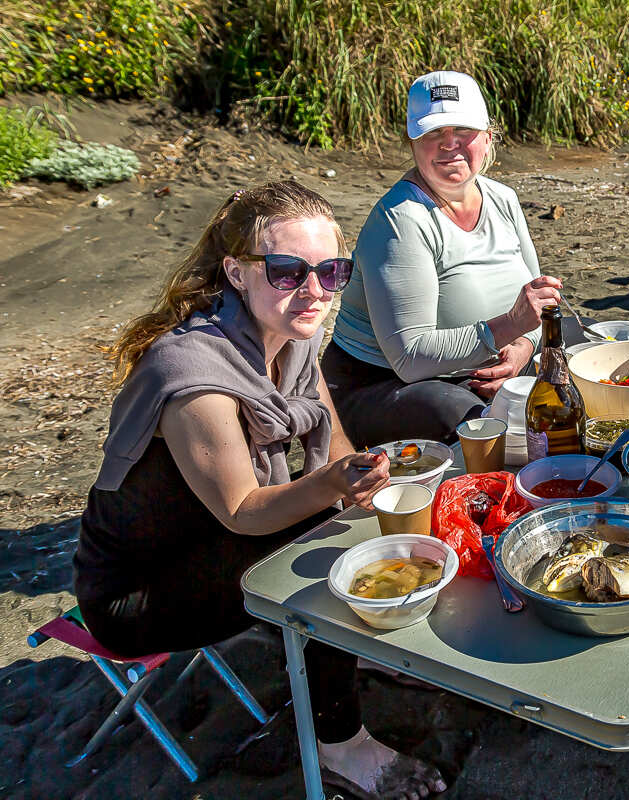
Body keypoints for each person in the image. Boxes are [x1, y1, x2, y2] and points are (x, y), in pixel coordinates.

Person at [73, 182, 447, 800]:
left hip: (210, 544)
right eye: (286, 271)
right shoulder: (192, 375)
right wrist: (331, 486)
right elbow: (246, 512)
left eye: (332, 272)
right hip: (136, 591)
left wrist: (378, 477)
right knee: (311, 548)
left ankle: (354, 640)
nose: (315, 291)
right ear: (237, 273)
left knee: (344, 516)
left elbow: (334, 444)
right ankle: (341, 745)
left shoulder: (291, 337)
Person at [324, 70, 562, 448]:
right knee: (484, 429)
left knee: (580, 356)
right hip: (385, 385)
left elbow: (539, 304)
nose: (449, 144)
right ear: (413, 142)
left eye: (462, 131)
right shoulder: (400, 219)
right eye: (433, 133)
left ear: (487, 136)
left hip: (479, 370)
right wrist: (509, 326)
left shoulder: (502, 199)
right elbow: (411, 357)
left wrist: (521, 349)